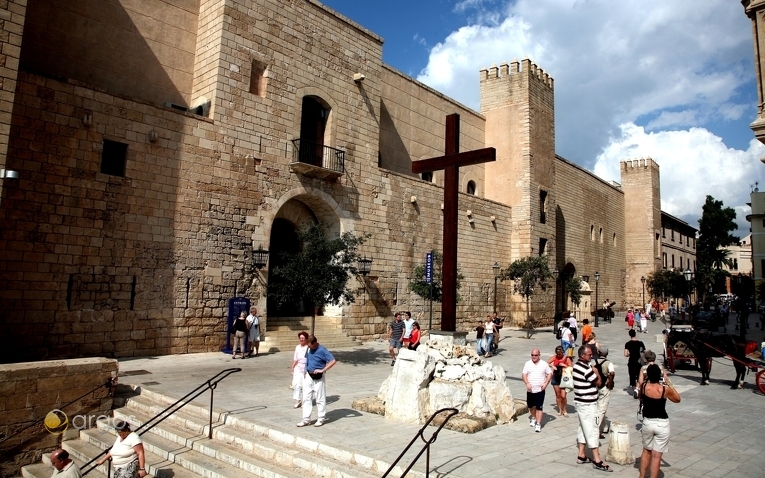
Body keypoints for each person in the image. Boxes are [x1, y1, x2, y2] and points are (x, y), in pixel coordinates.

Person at [572, 345, 612, 472]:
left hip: (581, 403)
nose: (591, 356)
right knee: (593, 430)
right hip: (588, 405)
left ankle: (582, 455)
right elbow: (599, 383)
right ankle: (597, 460)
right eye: (589, 355)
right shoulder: (586, 369)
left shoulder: (576, 366)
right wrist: (596, 371)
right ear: (582, 355)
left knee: (583, 428)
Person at [638, 364, 681, 478]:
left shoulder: (644, 387)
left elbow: (640, 396)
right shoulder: (664, 389)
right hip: (662, 423)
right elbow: (677, 399)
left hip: (648, 422)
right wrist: (668, 382)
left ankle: (641, 476)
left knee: (646, 451)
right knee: (657, 456)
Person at [297, 335, 337, 427]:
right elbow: (307, 359)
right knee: (306, 398)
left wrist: (323, 370)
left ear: (315, 343)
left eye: (310, 345)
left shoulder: (322, 350)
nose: (309, 347)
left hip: (318, 377)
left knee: (320, 398)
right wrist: (305, 370)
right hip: (308, 376)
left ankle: (321, 418)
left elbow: (333, 360)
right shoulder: (308, 348)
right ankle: (306, 419)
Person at [522, 348, 553, 432]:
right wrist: (527, 383)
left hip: (540, 390)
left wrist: (546, 383)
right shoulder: (527, 363)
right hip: (530, 390)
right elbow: (524, 374)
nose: (534, 357)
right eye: (532, 355)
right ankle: (533, 417)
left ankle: (538, 424)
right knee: (531, 406)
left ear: (539, 355)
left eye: (536, 355)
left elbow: (550, 373)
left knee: (539, 407)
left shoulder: (544, 364)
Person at [594, 347, 615, 439]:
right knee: (602, 409)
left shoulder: (593, 362)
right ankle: (596, 430)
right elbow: (612, 373)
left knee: (598, 407)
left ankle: (604, 427)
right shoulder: (608, 363)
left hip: (595, 387)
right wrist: (609, 383)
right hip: (604, 387)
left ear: (599, 352)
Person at [547, 345, 572, 417]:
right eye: (557, 354)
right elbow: (547, 363)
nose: (558, 355)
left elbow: (571, 368)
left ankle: (565, 410)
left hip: (564, 378)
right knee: (558, 395)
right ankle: (560, 410)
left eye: (559, 354)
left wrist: (564, 366)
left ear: (563, 352)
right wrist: (552, 366)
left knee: (563, 396)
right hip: (556, 377)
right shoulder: (555, 357)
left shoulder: (566, 359)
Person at [624, 329, 646, 398]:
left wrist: (629, 354)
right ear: (635, 334)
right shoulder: (640, 343)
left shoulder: (628, 344)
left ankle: (635, 391)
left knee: (632, 376)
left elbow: (625, 354)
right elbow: (644, 352)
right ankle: (638, 389)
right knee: (639, 376)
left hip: (631, 362)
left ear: (629, 335)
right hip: (639, 362)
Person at [290, 331, 309, 408]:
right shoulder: (297, 347)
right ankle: (298, 400)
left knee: (305, 385)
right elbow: (296, 358)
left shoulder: (308, 347)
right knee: (297, 384)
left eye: (303, 338)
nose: (301, 340)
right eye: (300, 338)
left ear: (306, 339)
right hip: (298, 368)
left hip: (305, 368)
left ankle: (305, 401)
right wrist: (292, 367)